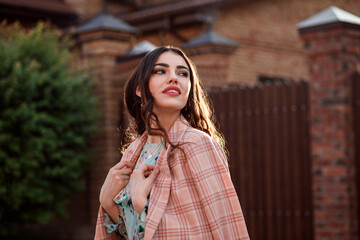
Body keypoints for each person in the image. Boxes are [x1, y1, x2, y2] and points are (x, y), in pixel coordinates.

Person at [95, 46, 249, 240]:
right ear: (140, 89)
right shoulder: (133, 153)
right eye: (161, 71)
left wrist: (141, 202)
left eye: (183, 74)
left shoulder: (197, 145)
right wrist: (108, 202)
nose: (174, 78)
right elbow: (134, 234)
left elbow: (222, 229)